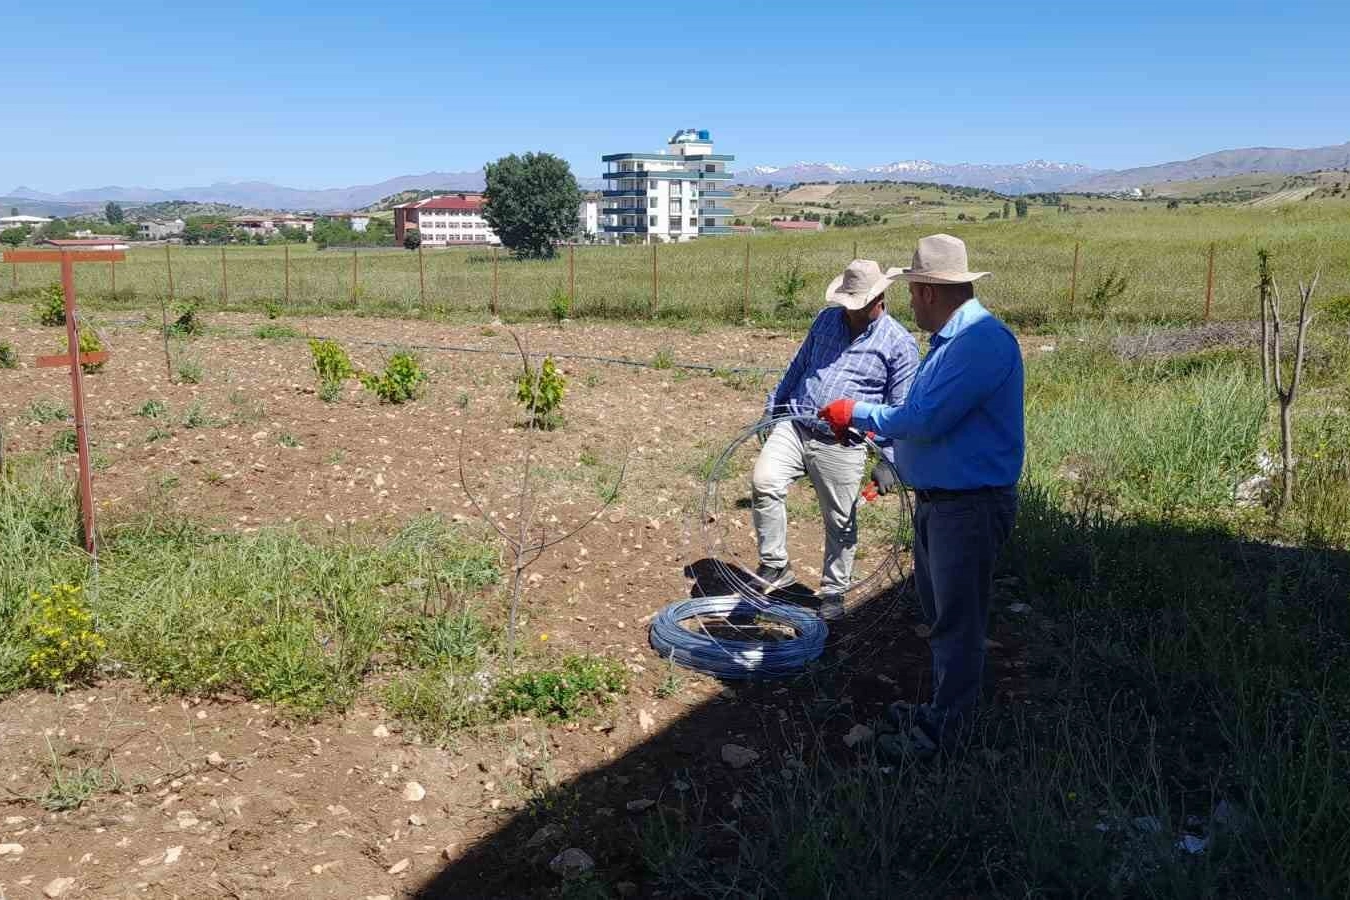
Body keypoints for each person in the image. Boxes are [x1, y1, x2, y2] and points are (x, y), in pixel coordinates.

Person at [819, 234, 1024, 757]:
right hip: (946, 503)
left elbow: (923, 420)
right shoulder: (956, 343)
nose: (908, 302)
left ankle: (946, 733)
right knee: (944, 618)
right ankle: (940, 712)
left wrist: (855, 413)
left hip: (968, 507)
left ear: (930, 291)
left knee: (957, 624)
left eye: (912, 291)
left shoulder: (979, 342)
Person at [752, 259, 919, 619]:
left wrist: (888, 459)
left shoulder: (899, 344)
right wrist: (774, 407)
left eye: (858, 305)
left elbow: (900, 408)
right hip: (796, 423)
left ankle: (833, 591)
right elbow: (798, 366)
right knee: (764, 482)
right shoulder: (826, 319)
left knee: (840, 521)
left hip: (844, 442)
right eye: (848, 303)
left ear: (879, 299)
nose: (851, 311)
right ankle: (775, 565)